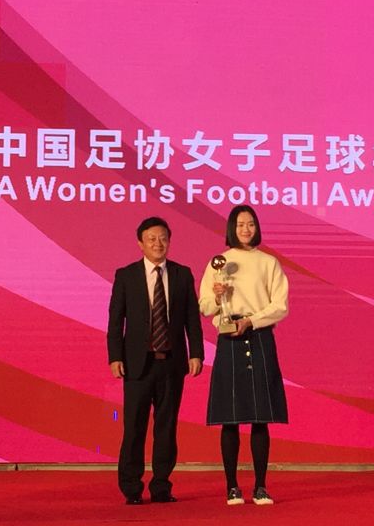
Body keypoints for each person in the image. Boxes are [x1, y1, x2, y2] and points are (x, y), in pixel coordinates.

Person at [107, 216, 204, 505]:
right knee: (134, 428)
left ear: (169, 241)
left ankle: (161, 486)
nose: (157, 244)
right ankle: (131, 487)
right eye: (151, 239)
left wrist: (196, 353)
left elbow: (192, 318)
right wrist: (115, 357)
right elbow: (116, 321)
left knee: (167, 427)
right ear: (140, 243)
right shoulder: (126, 275)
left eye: (163, 238)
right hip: (137, 364)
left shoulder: (182, 274)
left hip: (172, 363)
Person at [199, 205, 289, 506]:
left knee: (260, 417)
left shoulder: (269, 263)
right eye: (240, 224)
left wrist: (251, 321)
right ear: (231, 228)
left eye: (251, 224)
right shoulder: (219, 262)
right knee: (230, 418)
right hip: (228, 339)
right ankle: (232, 487)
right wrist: (217, 295)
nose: (246, 229)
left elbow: (280, 306)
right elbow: (205, 307)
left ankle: (261, 486)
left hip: (259, 336)